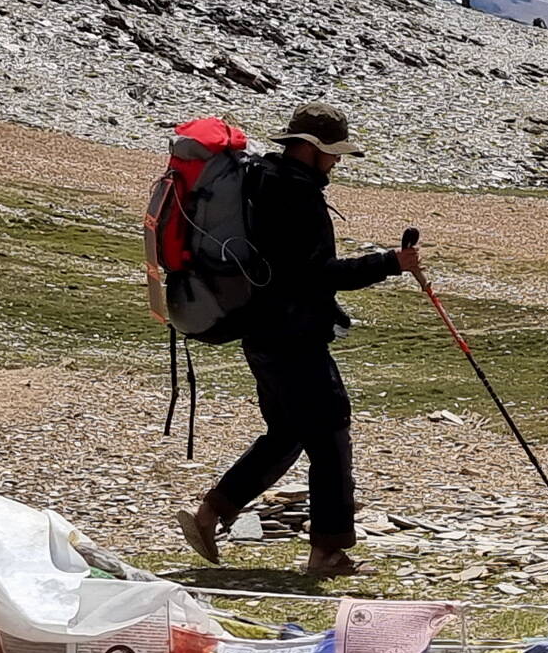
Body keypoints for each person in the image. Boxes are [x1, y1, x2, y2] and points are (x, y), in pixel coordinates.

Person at [175, 104, 422, 578]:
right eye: (332, 153)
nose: (337, 162)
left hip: (259, 331)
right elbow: (315, 276)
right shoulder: (297, 194)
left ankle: (210, 515)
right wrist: (389, 263)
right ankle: (327, 553)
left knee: (288, 432)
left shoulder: (259, 179)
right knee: (329, 435)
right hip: (294, 336)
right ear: (309, 150)